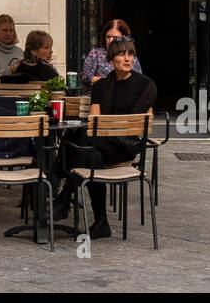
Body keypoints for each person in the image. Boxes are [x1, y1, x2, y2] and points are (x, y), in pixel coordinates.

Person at [52, 37, 155, 239]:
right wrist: (105, 127)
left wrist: (107, 126)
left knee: (78, 135)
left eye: (130, 54)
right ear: (110, 60)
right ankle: (101, 223)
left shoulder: (146, 85)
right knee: (91, 157)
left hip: (126, 145)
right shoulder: (101, 86)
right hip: (99, 145)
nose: (127, 59)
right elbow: (95, 121)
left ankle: (61, 192)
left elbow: (133, 126)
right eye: (121, 54)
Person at [79, 18, 144, 87]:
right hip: (98, 95)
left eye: (115, 37)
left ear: (124, 38)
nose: (110, 40)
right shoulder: (95, 54)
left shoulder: (131, 58)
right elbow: (86, 78)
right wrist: (112, 82)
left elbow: (138, 82)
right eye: (108, 37)